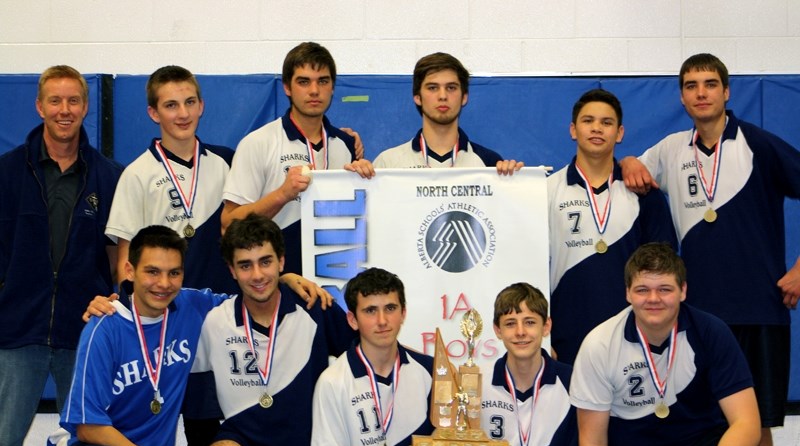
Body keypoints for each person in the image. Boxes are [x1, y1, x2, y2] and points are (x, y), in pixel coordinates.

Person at [619, 53, 800, 446]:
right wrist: (630, 159)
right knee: (700, 421)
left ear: (726, 92)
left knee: (756, 423)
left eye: (710, 83)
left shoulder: (760, 145)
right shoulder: (672, 148)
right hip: (695, 316)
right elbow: (631, 164)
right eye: (692, 85)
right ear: (681, 96)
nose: (701, 92)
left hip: (759, 309)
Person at [570, 242, 767, 446]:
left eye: (664, 289)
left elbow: (748, 423)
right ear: (627, 293)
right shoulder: (599, 345)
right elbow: (592, 443)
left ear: (683, 291)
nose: (654, 299)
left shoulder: (711, 332)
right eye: (642, 290)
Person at [0, 65, 122, 446]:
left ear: (86, 107)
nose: (64, 110)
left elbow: (119, 256)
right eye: (55, 101)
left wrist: (112, 304)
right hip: (17, 333)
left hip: (83, 335)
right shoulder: (8, 171)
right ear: (39, 106)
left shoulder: (109, 177)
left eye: (73, 101)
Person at [46, 225, 229, 446]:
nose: (163, 283)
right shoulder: (104, 327)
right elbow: (88, 426)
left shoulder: (191, 306)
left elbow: (251, 298)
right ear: (129, 270)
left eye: (174, 273)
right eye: (152, 272)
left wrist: (287, 278)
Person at [189, 213, 357, 446]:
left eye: (265, 261)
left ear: (281, 262)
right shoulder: (215, 321)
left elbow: (365, 357)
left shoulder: (314, 307)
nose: (257, 274)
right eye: (245, 265)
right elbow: (199, 408)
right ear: (231, 270)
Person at [221, 42, 375, 276]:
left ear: (333, 87)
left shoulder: (345, 144)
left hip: (333, 279)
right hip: (275, 283)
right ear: (287, 88)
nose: (314, 91)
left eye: (323, 81)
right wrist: (282, 194)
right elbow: (229, 225)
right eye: (304, 82)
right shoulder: (258, 143)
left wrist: (365, 179)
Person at [548, 88, 676, 365]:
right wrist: (541, 336)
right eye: (588, 121)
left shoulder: (643, 192)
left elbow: (664, 269)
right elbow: (527, 268)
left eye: (607, 123)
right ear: (573, 129)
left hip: (632, 334)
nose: (597, 128)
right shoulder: (546, 190)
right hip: (565, 335)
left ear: (619, 133)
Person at [310, 267, 444, 446]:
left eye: (390, 308)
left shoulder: (431, 371)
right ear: (352, 319)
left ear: (403, 312)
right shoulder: (333, 380)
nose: (382, 320)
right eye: (370, 311)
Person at [106, 65, 238, 294]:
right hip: (167, 308)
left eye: (189, 102)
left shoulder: (227, 161)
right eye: (171, 106)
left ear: (201, 106)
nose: (183, 114)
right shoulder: (136, 174)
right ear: (154, 113)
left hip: (223, 304)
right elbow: (125, 262)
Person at [459, 282, 578, 446]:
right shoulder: (474, 383)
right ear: (497, 330)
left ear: (546, 326)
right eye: (511, 323)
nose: (521, 332)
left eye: (530, 322)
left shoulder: (572, 382)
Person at [373, 52, 522, 175]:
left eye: (451, 88)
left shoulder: (489, 162)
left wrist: (511, 182)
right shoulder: (388, 163)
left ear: (464, 97)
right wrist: (358, 178)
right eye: (432, 88)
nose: (442, 96)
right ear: (418, 97)